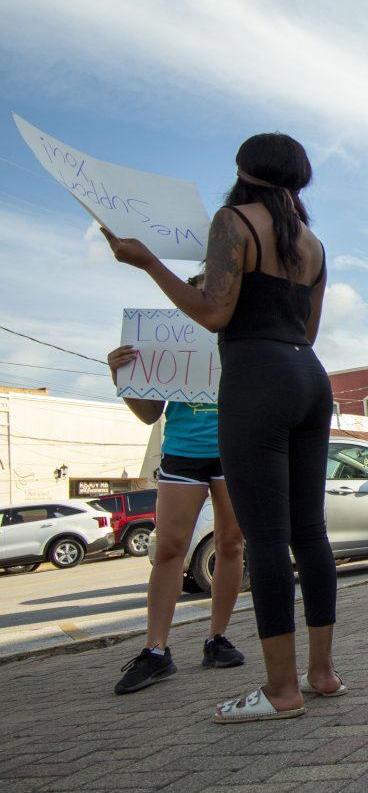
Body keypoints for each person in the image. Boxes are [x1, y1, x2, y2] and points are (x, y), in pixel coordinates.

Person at [101, 133, 343, 721]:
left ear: (242, 170)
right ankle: (322, 674)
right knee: (309, 532)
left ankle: (281, 692)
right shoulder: (311, 243)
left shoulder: (233, 221)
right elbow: (307, 334)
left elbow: (214, 311)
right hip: (310, 377)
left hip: (256, 377)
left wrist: (147, 261)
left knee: (264, 537)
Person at [108, 274, 247, 695]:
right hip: (182, 453)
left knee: (231, 544)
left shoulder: (241, 337)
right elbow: (150, 413)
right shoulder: (170, 342)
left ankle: (216, 638)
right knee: (169, 548)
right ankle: (156, 651)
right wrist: (123, 377)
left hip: (232, 449)